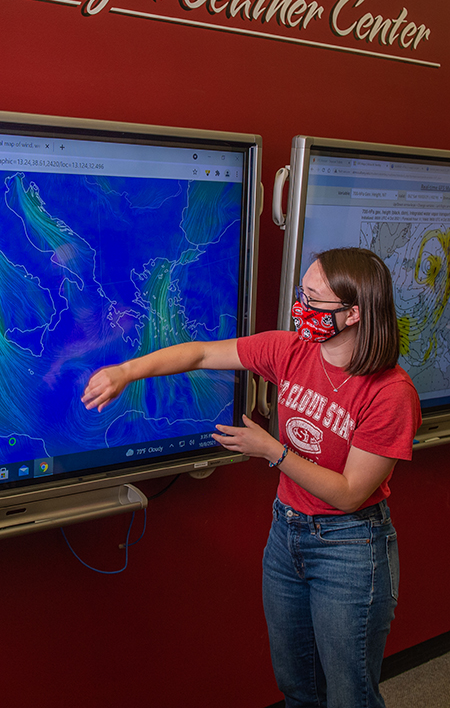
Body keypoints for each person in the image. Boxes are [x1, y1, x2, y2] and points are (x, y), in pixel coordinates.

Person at [82, 246, 421, 708]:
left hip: (351, 547)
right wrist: (126, 371)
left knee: (350, 694)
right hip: (288, 534)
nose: (300, 307)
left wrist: (272, 451)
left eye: (313, 299)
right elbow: (200, 354)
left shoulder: (392, 394)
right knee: (297, 684)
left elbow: (349, 494)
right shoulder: (292, 350)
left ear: (354, 313)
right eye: (301, 292)